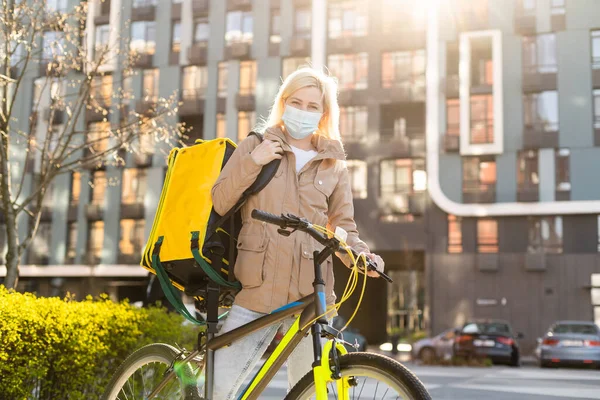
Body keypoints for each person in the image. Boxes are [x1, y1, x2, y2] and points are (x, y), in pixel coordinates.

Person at [210, 67, 385, 400]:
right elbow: (220, 200)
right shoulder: (257, 144)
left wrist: (361, 257)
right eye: (296, 102)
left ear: (323, 113)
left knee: (315, 394)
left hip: (313, 296)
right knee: (219, 390)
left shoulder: (334, 164)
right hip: (258, 290)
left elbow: (342, 228)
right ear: (283, 103)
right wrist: (253, 161)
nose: (303, 112)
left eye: (312, 106)